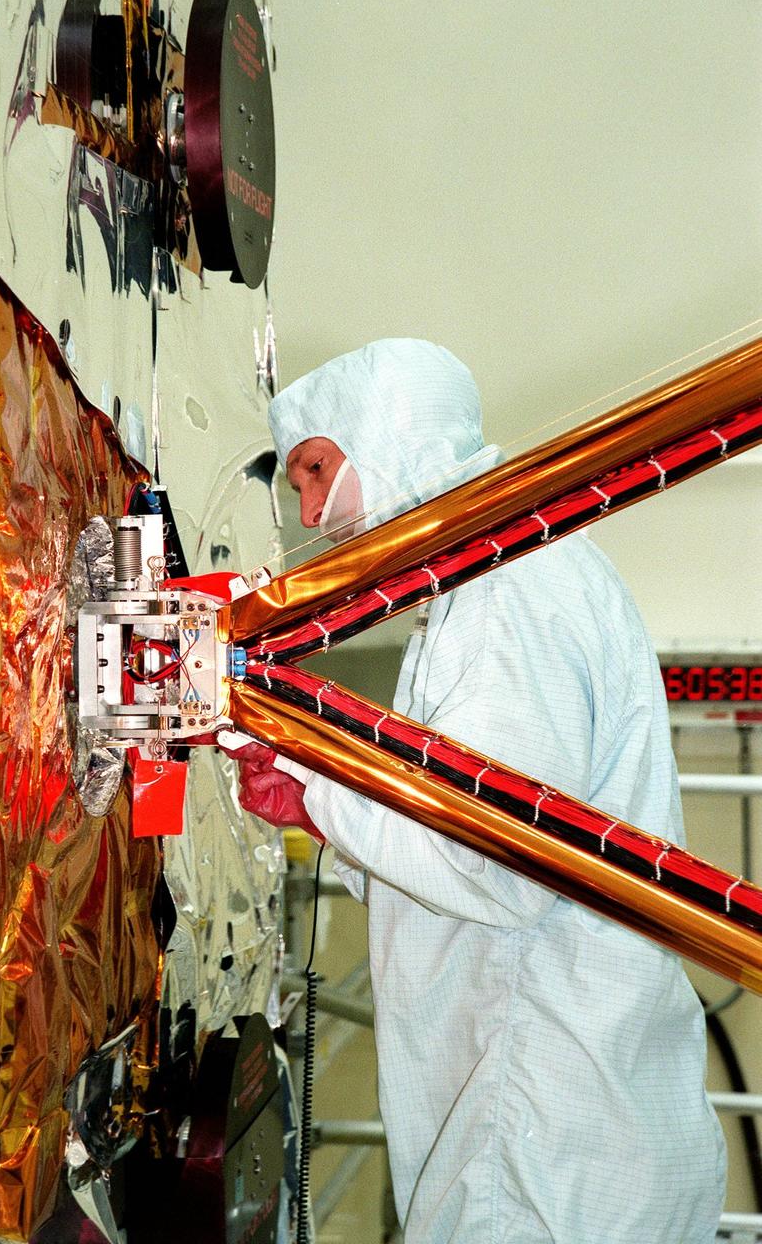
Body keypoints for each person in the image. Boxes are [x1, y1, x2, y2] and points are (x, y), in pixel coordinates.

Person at [237, 339, 726, 1243]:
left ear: (390, 434)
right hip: (568, 1123)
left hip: (541, 1141)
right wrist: (322, 809)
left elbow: (497, 861)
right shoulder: (502, 578)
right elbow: (465, 842)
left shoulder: (505, 597)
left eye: (316, 470)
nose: (309, 512)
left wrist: (321, 793)